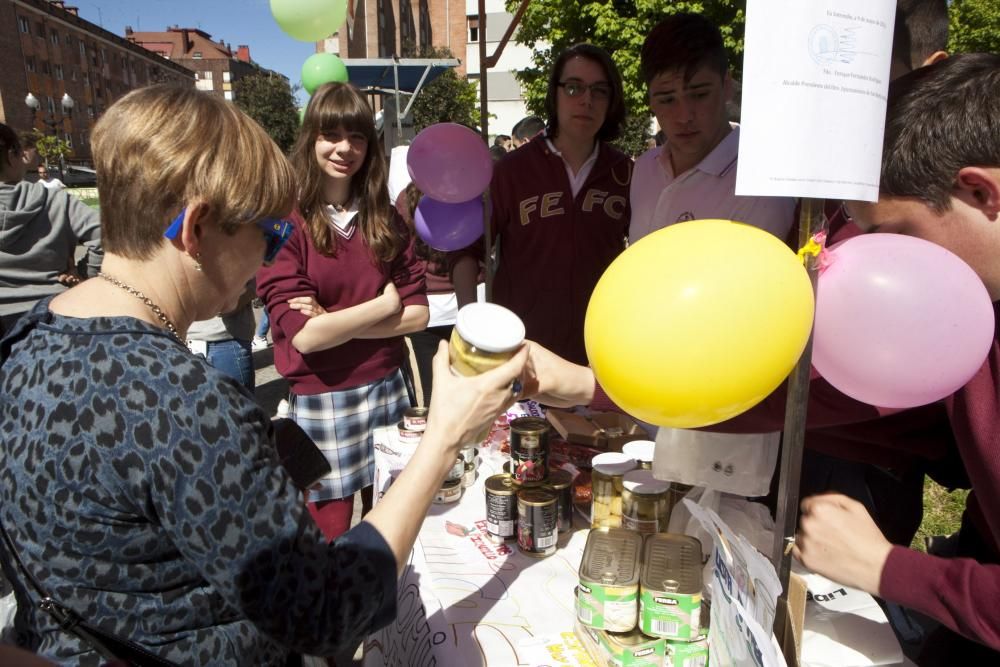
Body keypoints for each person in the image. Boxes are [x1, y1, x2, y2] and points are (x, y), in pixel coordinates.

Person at [0, 84, 527, 665]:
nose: (268, 259)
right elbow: (328, 610)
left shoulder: (22, 343)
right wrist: (445, 436)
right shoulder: (183, 402)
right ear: (196, 229)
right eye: (270, 234)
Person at [524, 54, 1000, 662]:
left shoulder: (947, 304)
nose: (877, 268)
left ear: (980, 190)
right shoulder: (958, 305)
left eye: (895, 237)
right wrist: (600, 385)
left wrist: (889, 569)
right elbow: (796, 392)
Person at [257, 82, 430, 543]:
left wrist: (333, 319)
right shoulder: (284, 221)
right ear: (310, 138)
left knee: (394, 519)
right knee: (326, 531)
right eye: (330, 135)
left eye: (357, 137)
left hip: (387, 383)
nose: (345, 149)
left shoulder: (385, 218)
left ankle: (393, 614)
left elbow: (418, 315)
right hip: (321, 394)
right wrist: (381, 305)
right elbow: (306, 338)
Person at [452, 43, 632, 365]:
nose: (587, 100)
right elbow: (467, 249)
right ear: (555, 93)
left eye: (599, 90)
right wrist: (468, 325)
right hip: (522, 354)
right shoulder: (511, 170)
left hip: (603, 355)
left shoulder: (627, 173)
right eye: (574, 87)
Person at [630, 12, 795, 246]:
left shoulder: (760, 188)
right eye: (667, 99)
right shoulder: (645, 168)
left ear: (727, 86)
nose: (684, 116)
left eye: (699, 95)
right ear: (651, 101)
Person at [0, 123, 102, 335]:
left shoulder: (54, 197)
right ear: (11, 156)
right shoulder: (55, 200)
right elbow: (105, 235)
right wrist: (84, 273)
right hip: (55, 317)